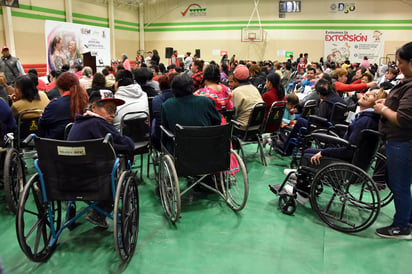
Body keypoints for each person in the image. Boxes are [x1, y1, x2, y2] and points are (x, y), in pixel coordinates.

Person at [68, 89, 134, 228]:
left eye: (114, 111)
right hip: (96, 184)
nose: (112, 114)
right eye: (108, 109)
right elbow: (127, 145)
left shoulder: (77, 124)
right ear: (93, 107)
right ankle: (100, 211)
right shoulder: (99, 124)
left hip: (68, 183)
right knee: (118, 165)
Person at [373, 42, 412, 239]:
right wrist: (387, 103)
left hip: (402, 142)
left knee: (400, 184)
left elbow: (404, 119)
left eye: (400, 62)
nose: (399, 67)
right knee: (395, 181)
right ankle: (408, 217)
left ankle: (402, 226)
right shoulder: (407, 83)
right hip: (399, 142)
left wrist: (384, 110)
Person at [39, 72, 89, 140]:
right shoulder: (86, 102)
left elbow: (41, 124)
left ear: (59, 88)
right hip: (82, 143)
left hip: (56, 144)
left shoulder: (54, 105)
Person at [231, 65, 262, 131]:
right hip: (257, 126)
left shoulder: (236, 92)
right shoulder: (255, 89)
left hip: (242, 128)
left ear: (235, 79)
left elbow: (233, 114)